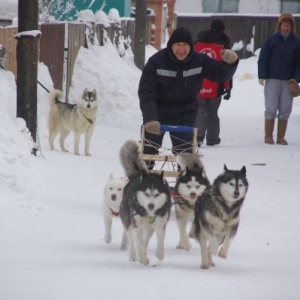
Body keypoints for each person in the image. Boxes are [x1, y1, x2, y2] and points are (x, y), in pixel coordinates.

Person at [138, 26, 238, 167]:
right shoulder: (156, 61)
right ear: (171, 45)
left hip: (185, 112)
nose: (181, 49)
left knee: (185, 157)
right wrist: (150, 118)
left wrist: (230, 63)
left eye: (185, 45)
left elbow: (219, 73)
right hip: (157, 111)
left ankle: (184, 183)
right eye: (178, 45)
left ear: (190, 46)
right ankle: (144, 180)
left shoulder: (199, 60)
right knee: (148, 151)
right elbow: (146, 92)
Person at [258, 13, 300, 145]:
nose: (286, 28)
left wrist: (296, 78)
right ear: (280, 26)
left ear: (291, 27)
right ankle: (268, 136)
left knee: (285, 108)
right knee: (271, 107)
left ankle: (280, 137)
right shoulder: (271, 40)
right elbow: (263, 58)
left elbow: (299, 63)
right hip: (272, 78)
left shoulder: (296, 42)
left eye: (288, 26)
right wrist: (262, 75)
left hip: (288, 80)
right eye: (284, 25)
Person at [194, 19, 232, 147]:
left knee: (200, 108)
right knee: (212, 111)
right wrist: (228, 87)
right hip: (217, 83)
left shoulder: (197, 43)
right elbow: (228, 67)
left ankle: (198, 136)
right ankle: (212, 138)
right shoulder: (223, 45)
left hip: (199, 83)